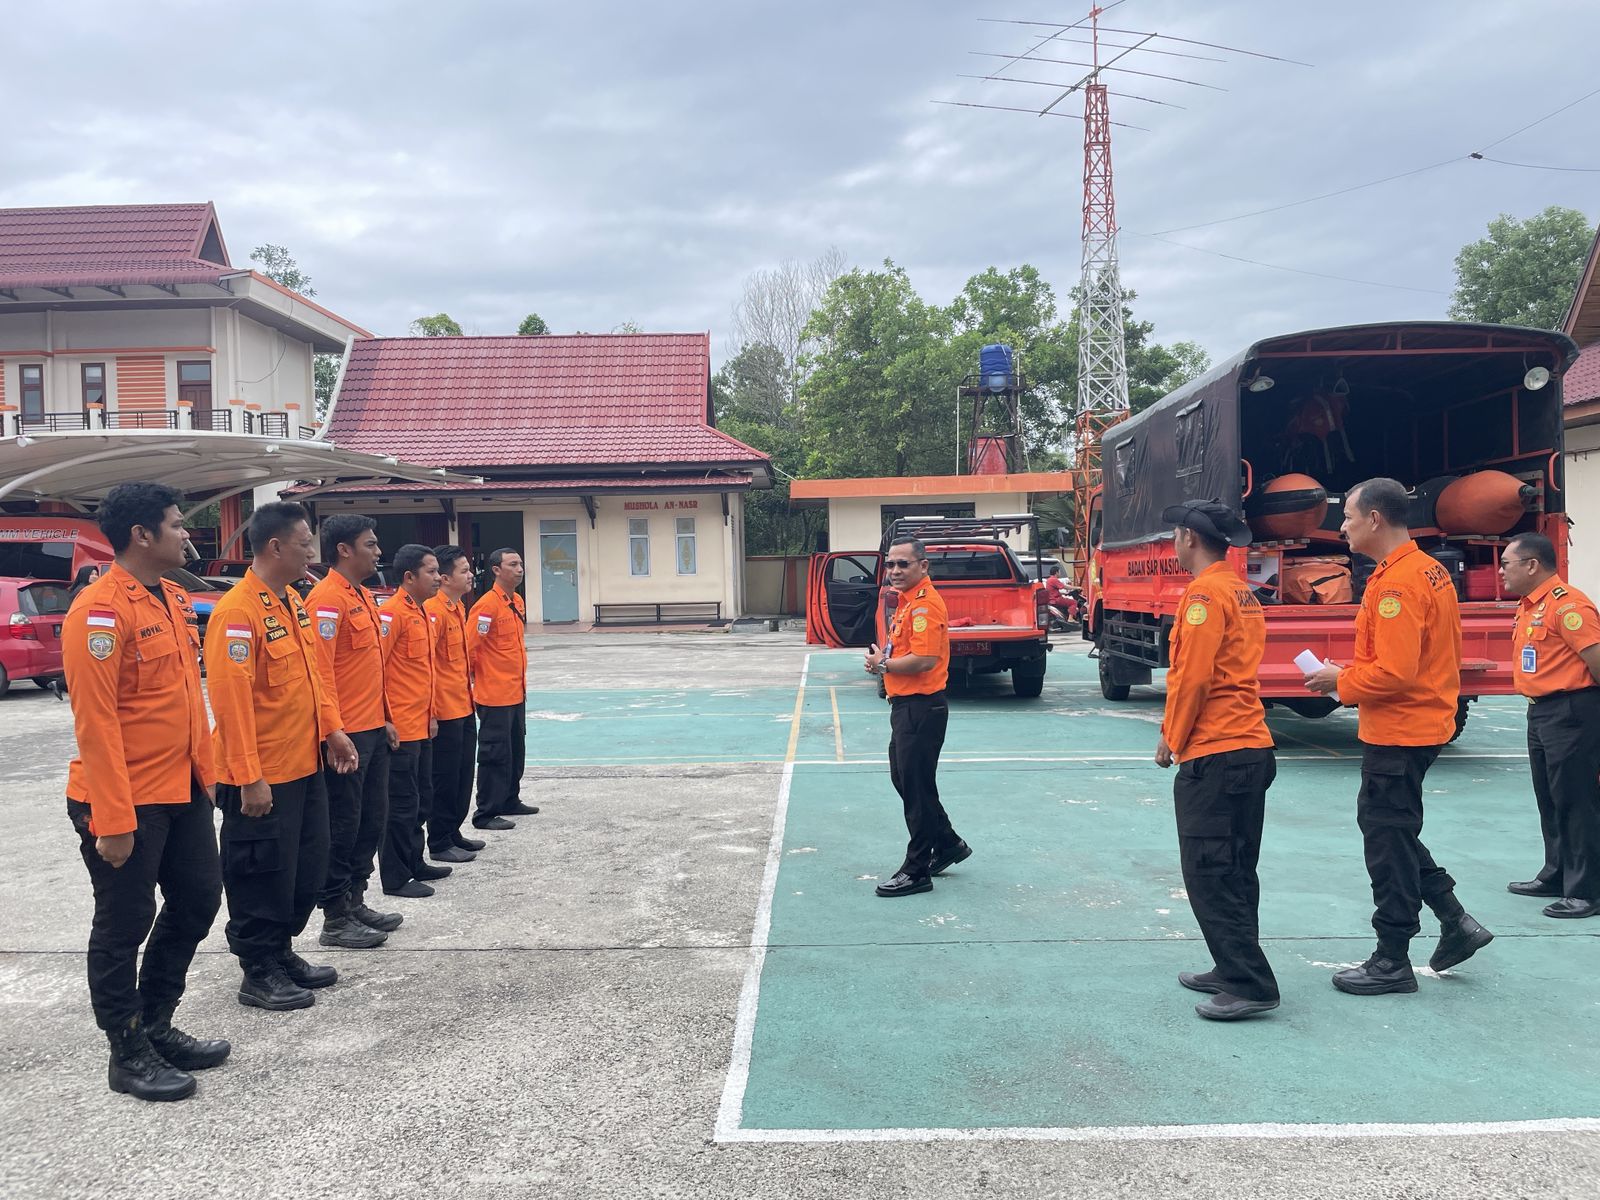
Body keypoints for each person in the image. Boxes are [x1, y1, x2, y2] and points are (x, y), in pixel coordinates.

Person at [63, 482, 227, 1102]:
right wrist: (112, 817)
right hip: (123, 798)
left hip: (182, 789)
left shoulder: (176, 600)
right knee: (125, 922)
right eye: (179, 524)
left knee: (199, 900)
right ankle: (126, 1049)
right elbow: (96, 721)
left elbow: (186, 700)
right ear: (143, 535)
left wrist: (209, 781)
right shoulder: (100, 611)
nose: (188, 533)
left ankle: (157, 1021)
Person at [1304, 478, 1493, 994]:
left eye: (1346, 516)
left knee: (1386, 839)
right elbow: (1403, 660)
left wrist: (1338, 681)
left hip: (1401, 727)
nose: (1340, 525)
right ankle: (1455, 920)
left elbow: (1394, 673)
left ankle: (1392, 958)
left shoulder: (1396, 584)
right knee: (1393, 828)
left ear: (1375, 519)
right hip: (1419, 722)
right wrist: (1350, 671)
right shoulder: (1426, 569)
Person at [205, 501, 359, 1012]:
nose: (311, 553)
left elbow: (316, 677)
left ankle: (283, 951)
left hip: (304, 764)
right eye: (303, 543)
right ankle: (258, 969)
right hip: (261, 776)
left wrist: (333, 730)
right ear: (275, 547)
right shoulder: (237, 611)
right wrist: (249, 776)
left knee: (303, 869)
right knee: (260, 875)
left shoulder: (291, 601)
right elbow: (231, 702)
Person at [1154, 501, 1279, 1021]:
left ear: (1187, 537)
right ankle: (1231, 966)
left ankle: (1250, 983)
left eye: (1175, 536)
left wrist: (1171, 738)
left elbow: (1194, 677)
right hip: (1249, 745)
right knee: (1236, 868)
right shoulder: (1238, 590)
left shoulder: (1204, 594)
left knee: (1209, 871)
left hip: (1217, 750)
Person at [305, 515, 401, 949]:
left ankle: (356, 899)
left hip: (372, 730)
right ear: (344, 549)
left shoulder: (362, 597)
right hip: (346, 735)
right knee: (342, 826)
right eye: (371, 544)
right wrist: (332, 730)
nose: (378, 552)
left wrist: (385, 716)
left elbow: (370, 669)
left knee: (370, 821)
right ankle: (335, 916)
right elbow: (320, 672)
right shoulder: (326, 600)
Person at [1500, 531, 1600, 919]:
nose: (1501, 570)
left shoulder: (1568, 606)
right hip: (1541, 711)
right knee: (1551, 798)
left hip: (1572, 709)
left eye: (1507, 562)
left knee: (1578, 801)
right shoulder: (1528, 605)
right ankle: (1557, 873)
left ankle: (1586, 890)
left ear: (1532, 565)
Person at [864, 536, 969, 897]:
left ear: (923, 566)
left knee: (917, 787)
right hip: (907, 708)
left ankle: (917, 869)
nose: (894, 571)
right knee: (907, 781)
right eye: (891, 564)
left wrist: (883, 665)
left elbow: (924, 660)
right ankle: (949, 843)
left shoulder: (924, 607)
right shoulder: (909, 603)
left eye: (903, 564)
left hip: (921, 709)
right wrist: (885, 663)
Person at [378, 544, 447, 897]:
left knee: (421, 799)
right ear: (409, 577)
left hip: (421, 724)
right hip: (400, 728)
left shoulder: (420, 612)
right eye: (432, 572)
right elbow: (377, 670)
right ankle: (396, 875)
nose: (439, 578)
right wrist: (386, 718)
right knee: (400, 805)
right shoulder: (392, 615)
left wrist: (432, 714)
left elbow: (424, 673)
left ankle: (415, 862)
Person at [469, 548, 535, 830]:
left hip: (515, 691)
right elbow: (470, 648)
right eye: (513, 564)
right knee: (494, 753)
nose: (519, 569)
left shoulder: (516, 601)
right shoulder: (486, 606)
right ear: (496, 570)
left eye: (520, 563)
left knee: (515, 749)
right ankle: (486, 811)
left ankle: (510, 798)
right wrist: (474, 682)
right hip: (494, 694)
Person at [426, 546, 484, 862]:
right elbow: (427, 666)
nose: (470, 575)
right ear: (445, 578)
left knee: (462, 776)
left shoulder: (457, 608)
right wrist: (432, 711)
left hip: (463, 706)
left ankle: (453, 832)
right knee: (444, 779)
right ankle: (438, 840)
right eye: (463, 571)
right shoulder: (434, 612)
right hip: (444, 711)